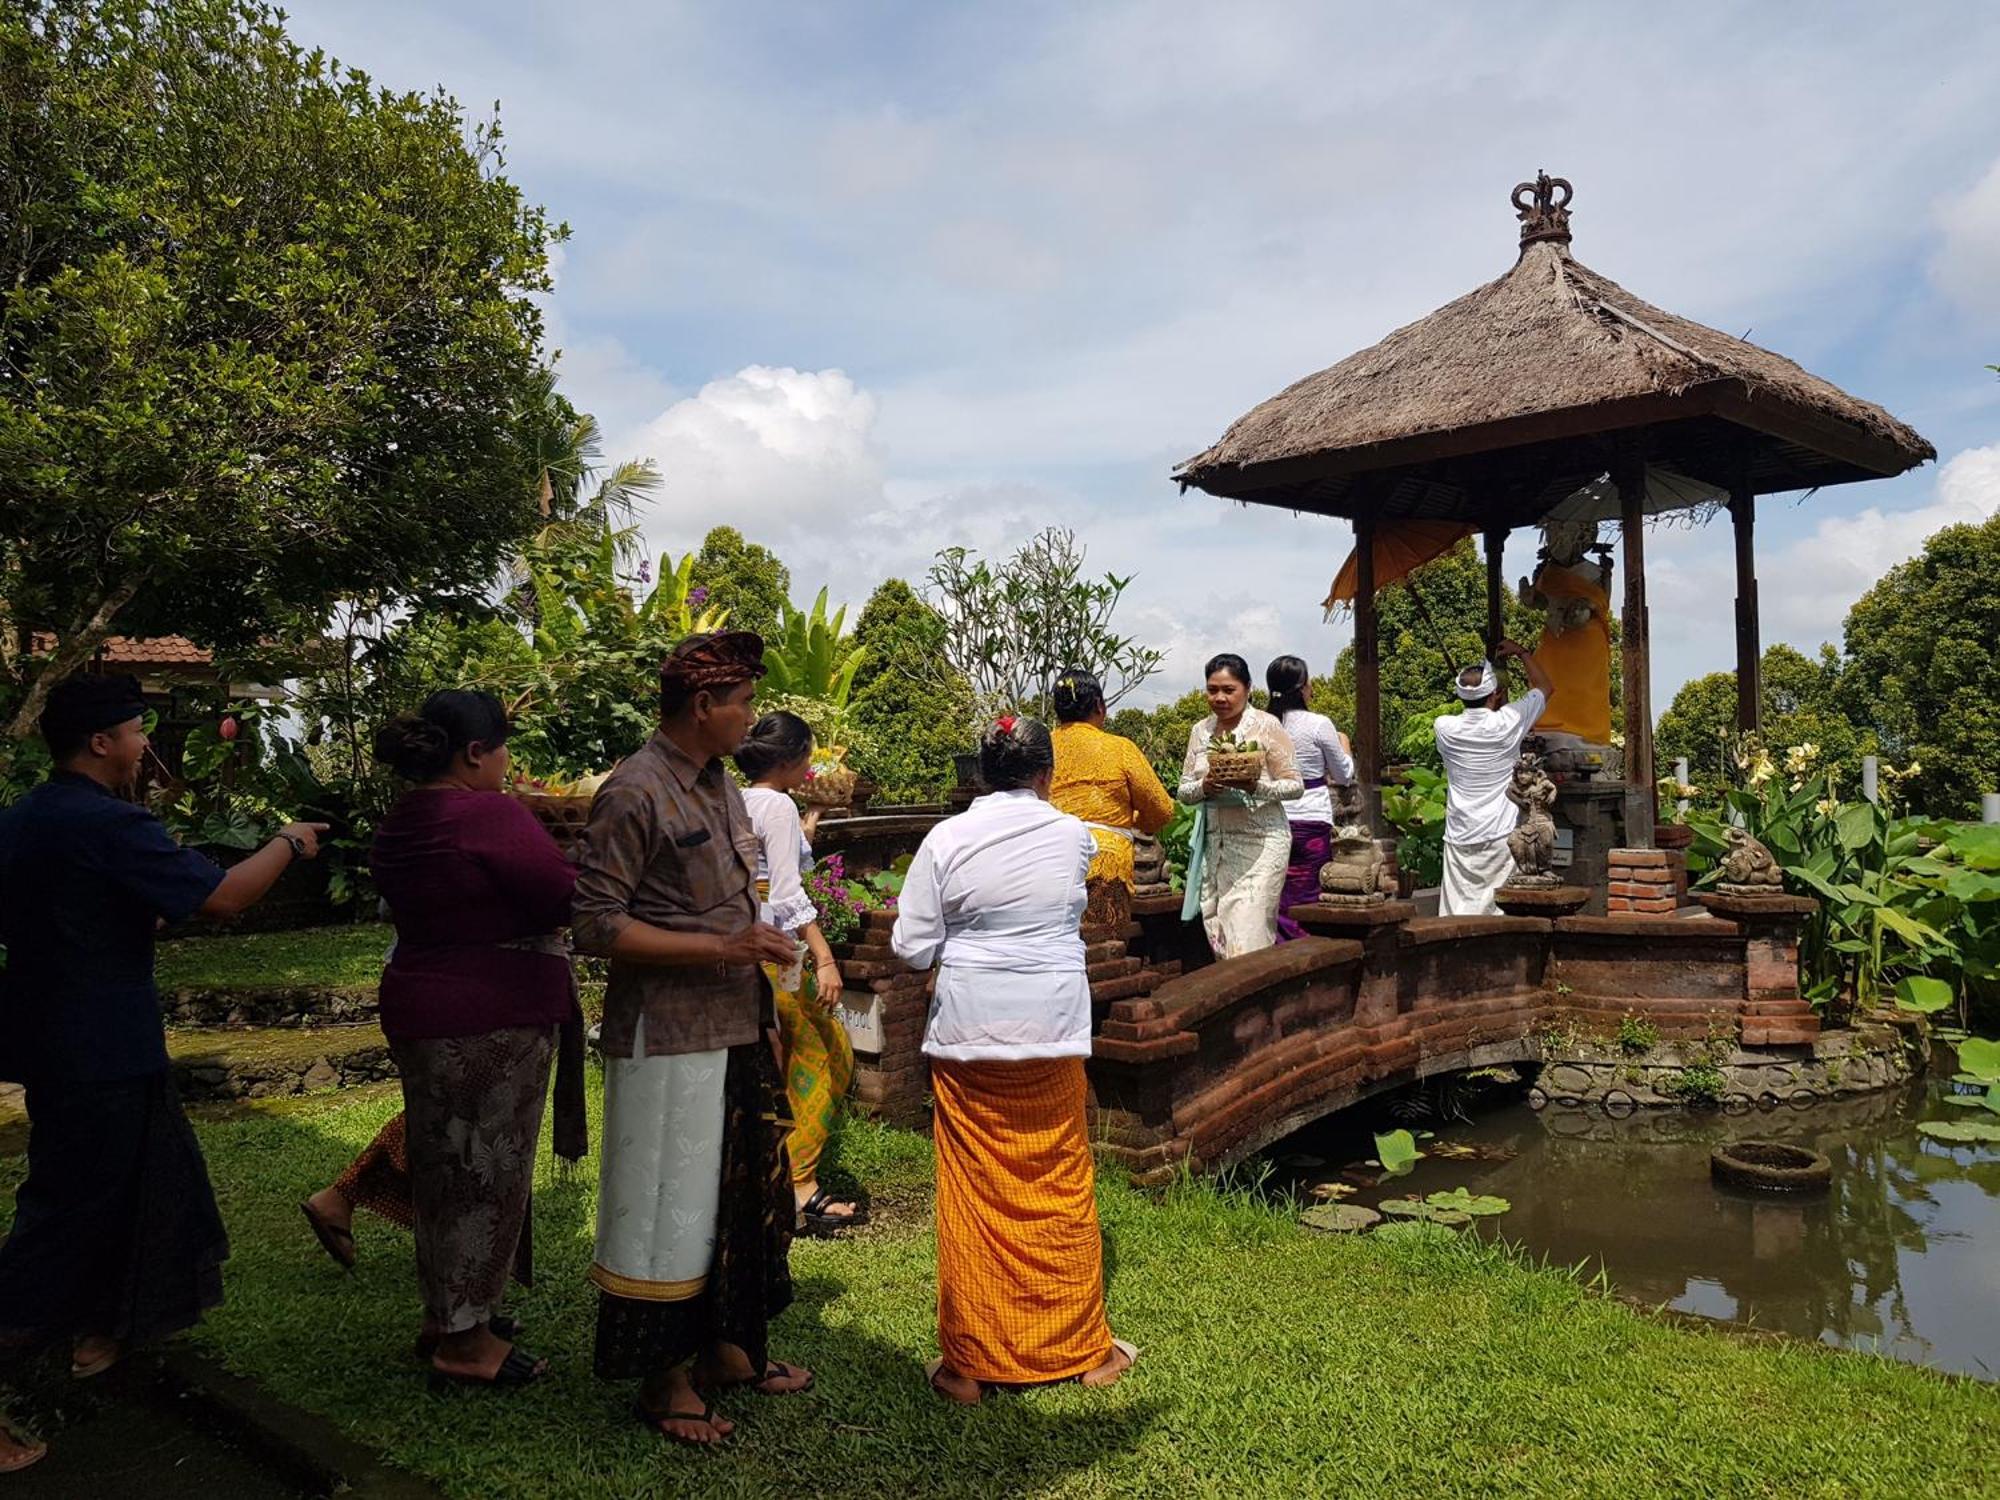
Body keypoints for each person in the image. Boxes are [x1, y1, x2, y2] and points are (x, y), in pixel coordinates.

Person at [0, 675, 326, 1475]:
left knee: (140, 1182)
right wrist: (286, 842)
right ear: (103, 740)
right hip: (100, 1046)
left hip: (54, 1037)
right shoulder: (107, 823)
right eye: (137, 730)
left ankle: (98, 1331)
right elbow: (221, 899)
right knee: (63, 1213)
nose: (147, 745)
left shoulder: (29, 816)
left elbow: (73, 908)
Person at [571, 631, 811, 1449]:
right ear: (704, 707)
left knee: (741, 1194)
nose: (751, 717)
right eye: (742, 703)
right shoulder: (634, 791)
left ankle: (727, 1351)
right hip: (668, 1036)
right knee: (666, 1207)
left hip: (734, 1021)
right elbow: (596, 927)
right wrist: (726, 949)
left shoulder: (720, 788)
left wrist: (761, 994)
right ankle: (664, 1385)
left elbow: (738, 905)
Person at [890, 715, 1137, 1405]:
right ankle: (1085, 1353)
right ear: (1044, 774)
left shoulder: (946, 837)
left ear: (980, 773)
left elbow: (910, 949)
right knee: (1059, 1177)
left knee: (974, 1190)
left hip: (970, 1029)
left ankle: (968, 1367)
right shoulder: (1075, 836)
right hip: (1053, 1023)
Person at [362, 690, 586, 1386]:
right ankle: (463, 1344)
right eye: (504, 748)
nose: (508, 763)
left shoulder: (404, 817)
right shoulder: (485, 812)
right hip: (489, 1014)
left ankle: (453, 1316)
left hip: (423, 1006)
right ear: (475, 753)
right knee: (487, 1175)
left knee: (444, 1173)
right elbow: (562, 896)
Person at [733, 711, 865, 1236]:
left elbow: (768, 867)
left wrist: (807, 824)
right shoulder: (778, 806)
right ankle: (799, 1184)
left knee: (777, 1060)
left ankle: (776, 1175)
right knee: (827, 1053)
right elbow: (785, 893)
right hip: (778, 951)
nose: (812, 765)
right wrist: (825, 956)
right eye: (808, 755)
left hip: (744, 946)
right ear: (789, 760)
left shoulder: (736, 799)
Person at [1176, 654, 1303, 958]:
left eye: (1228, 690)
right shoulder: (1200, 731)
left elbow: (1294, 785)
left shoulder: (1266, 725)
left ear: (1247, 688)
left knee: (1248, 934)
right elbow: (1184, 791)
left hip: (1261, 845)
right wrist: (1205, 787)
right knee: (1220, 935)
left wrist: (1256, 786)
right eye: (1212, 689)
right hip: (1216, 848)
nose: (1219, 697)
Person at [1047, 668, 1176, 930]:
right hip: (1106, 865)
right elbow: (1161, 808)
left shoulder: (1041, 748)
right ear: (1099, 706)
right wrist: (1138, 821)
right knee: (1107, 946)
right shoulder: (1120, 748)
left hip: (1048, 858)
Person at [1434, 641, 1554, 916]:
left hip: (1459, 834)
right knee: (1499, 914)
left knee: (1457, 914)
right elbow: (1545, 687)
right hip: (1500, 832)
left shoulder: (1444, 727)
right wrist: (1523, 653)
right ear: (1495, 695)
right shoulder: (1507, 722)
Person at [1264, 656, 1356, 940]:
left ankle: (1278, 954)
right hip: (1311, 819)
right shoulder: (1318, 724)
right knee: (1308, 895)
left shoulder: (1263, 725)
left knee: (1275, 897)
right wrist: (1345, 746)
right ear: (1303, 687)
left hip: (1273, 819)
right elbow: (1343, 775)